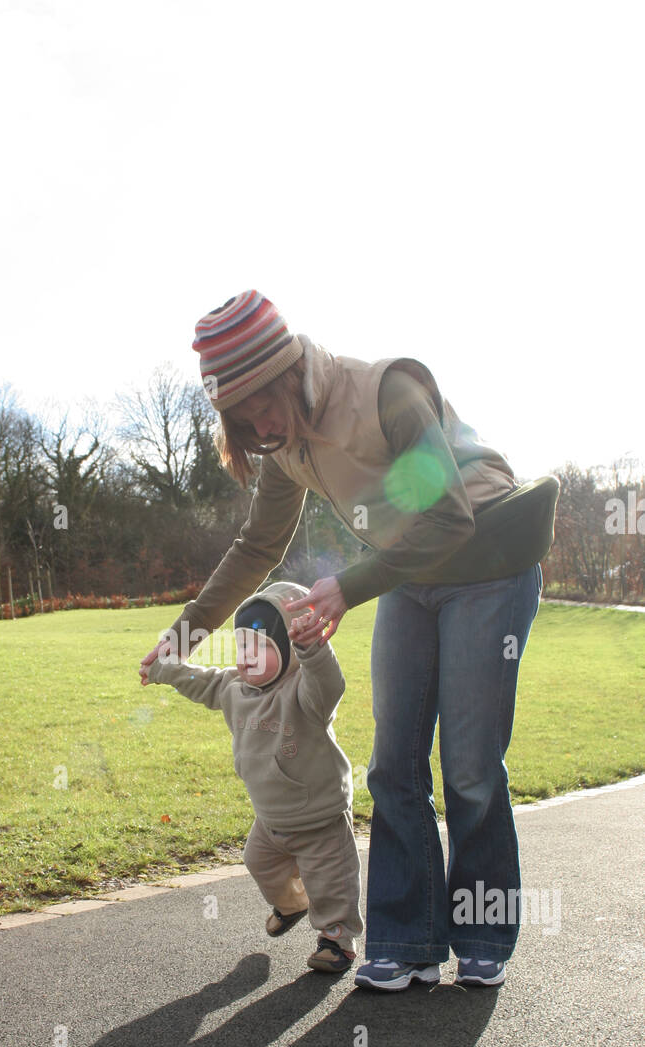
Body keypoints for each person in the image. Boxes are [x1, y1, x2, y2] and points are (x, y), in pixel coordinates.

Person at [140, 290, 560, 991]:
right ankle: (405, 938)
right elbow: (256, 547)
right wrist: (182, 635)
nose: (260, 424)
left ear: (288, 369)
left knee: (468, 767)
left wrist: (349, 585)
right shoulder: (285, 449)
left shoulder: (386, 392)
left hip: (487, 561)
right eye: (241, 417)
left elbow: (449, 515)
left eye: (263, 403)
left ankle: (482, 933)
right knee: (392, 762)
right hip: (410, 576)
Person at [141, 581, 364, 973]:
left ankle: (337, 941)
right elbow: (202, 680)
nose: (247, 658)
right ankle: (292, 903)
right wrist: (165, 669)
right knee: (258, 862)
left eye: (260, 648)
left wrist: (312, 648)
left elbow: (331, 684)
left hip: (320, 817)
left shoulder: (305, 693)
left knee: (331, 884)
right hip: (271, 818)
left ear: (288, 648)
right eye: (242, 646)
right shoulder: (234, 688)